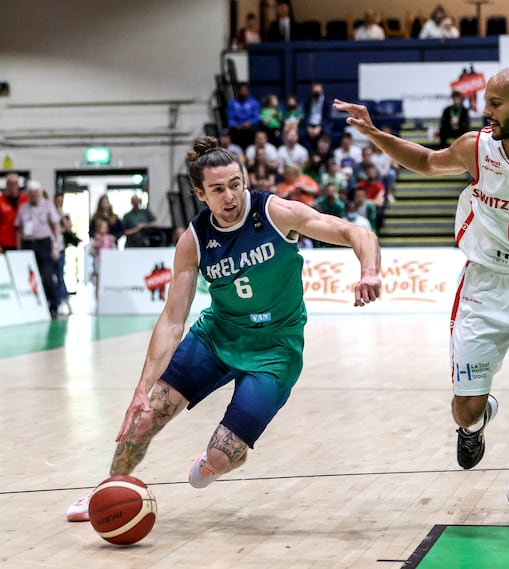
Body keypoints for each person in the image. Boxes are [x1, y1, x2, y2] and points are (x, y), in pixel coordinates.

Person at [334, 65, 509, 528]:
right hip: (485, 281)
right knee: (466, 408)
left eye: (496, 104)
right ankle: (477, 421)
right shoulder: (476, 147)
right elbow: (424, 162)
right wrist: (373, 132)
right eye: (486, 102)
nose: (487, 112)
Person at [65, 136, 381, 522]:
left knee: (219, 456)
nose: (230, 196)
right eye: (218, 189)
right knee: (145, 417)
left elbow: (357, 233)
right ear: (200, 193)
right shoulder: (193, 240)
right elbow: (172, 319)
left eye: (236, 184)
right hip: (216, 337)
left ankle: (214, 460)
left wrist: (368, 271)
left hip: (275, 350)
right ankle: (107, 490)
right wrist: (140, 390)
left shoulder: (276, 213)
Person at [14, 180, 61, 319]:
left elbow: (56, 226)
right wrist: (18, 249)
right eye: (31, 194)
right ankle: (33, 306)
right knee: (29, 277)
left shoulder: (47, 205)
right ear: (28, 194)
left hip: (44, 243)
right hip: (28, 244)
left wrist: (55, 246)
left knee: (47, 276)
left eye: (36, 193)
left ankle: (53, 306)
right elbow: (18, 230)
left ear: (40, 193)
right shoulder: (23, 208)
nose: (34, 196)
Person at [0, 173, 29, 252]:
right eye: (10, 183)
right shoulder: (1, 201)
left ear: (18, 184)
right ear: (6, 185)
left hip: (24, 241)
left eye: (15, 183)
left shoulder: (26, 200)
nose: (12, 185)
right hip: (6, 243)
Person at [227, 83, 260, 150]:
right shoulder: (232, 103)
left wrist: (250, 123)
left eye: (245, 90)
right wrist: (235, 125)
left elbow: (256, 117)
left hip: (249, 130)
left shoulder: (254, 103)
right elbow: (230, 118)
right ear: (238, 91)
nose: (243, 92)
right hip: (237, 130)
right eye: (242, 90)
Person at [90, 218, 117, 299]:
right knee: (98, 282)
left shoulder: (109, 238)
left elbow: (114, 250)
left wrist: (112, 242)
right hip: (99, 263)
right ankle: (98, 300)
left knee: (108, 281)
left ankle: (107, 299)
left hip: (108, 264)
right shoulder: (95, 238)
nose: (103, 229)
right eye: (102, 227)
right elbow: (91, 250)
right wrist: (97, 244)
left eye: (105, 227)